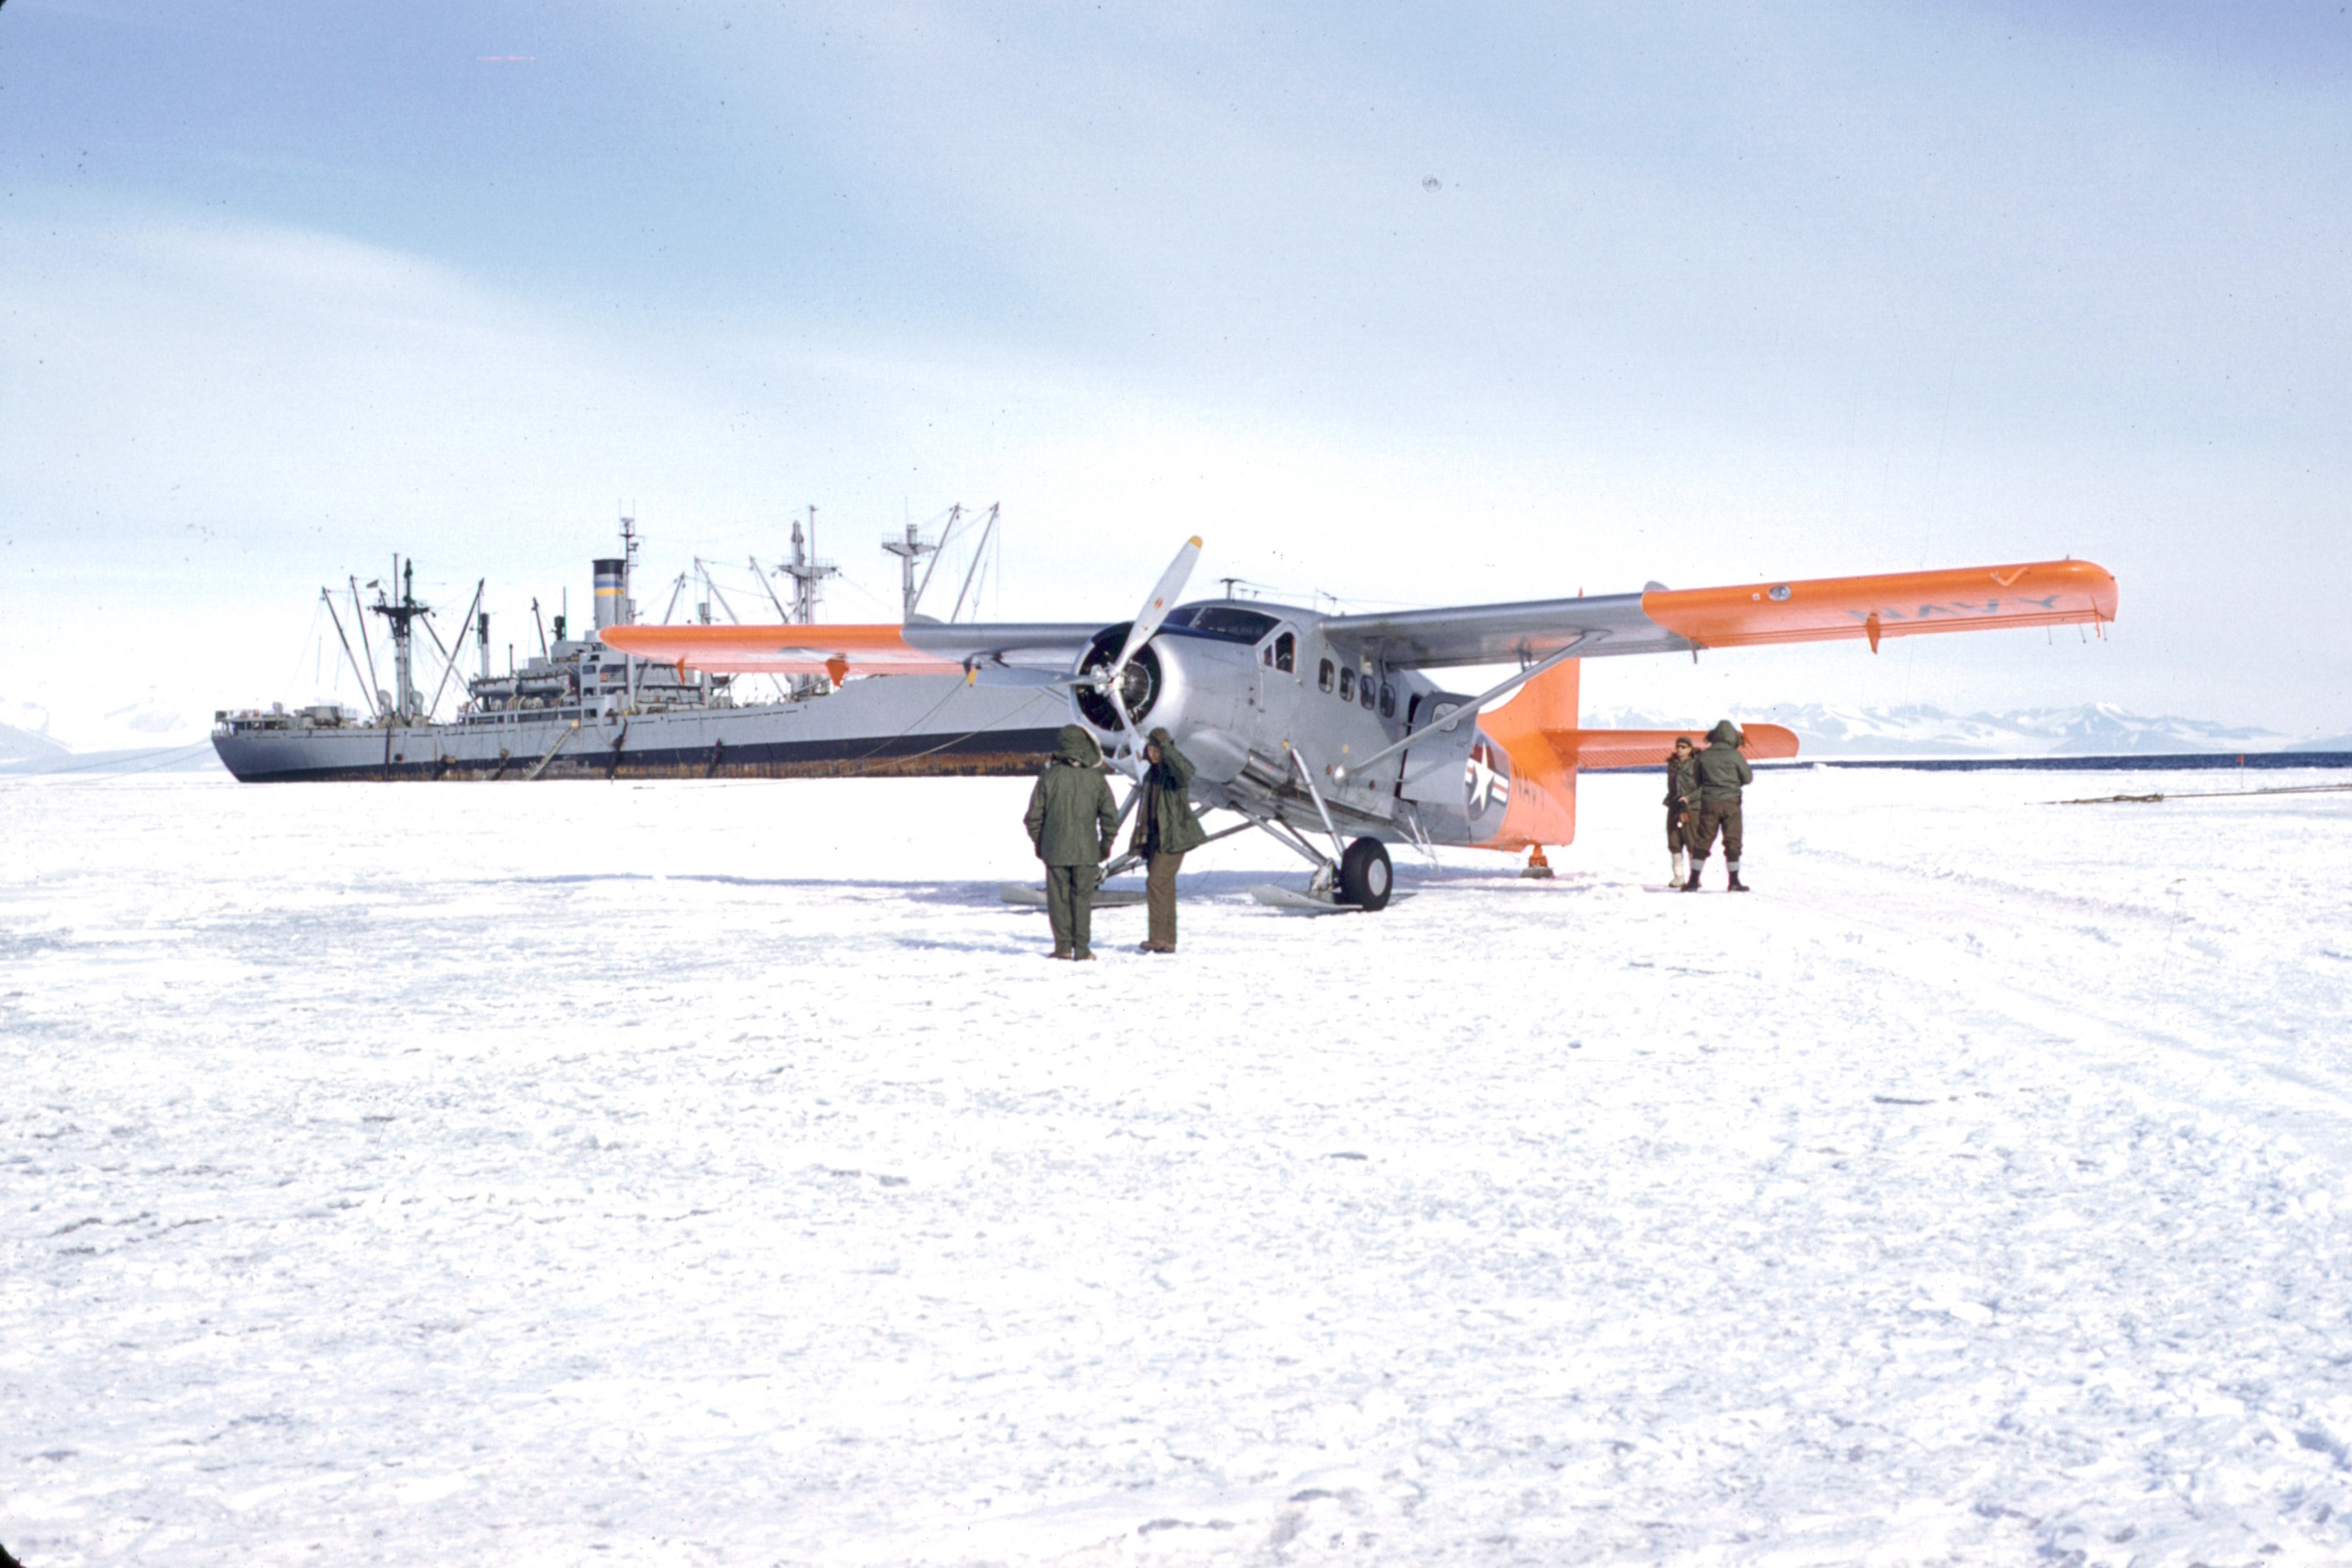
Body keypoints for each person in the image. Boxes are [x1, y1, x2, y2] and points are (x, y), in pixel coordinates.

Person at [1024, 724, 1119, 958]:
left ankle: (1063, 948)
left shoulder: (1049, 776)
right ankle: (1083, 950)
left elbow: (1033, 818)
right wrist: (1105, 846)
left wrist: (1042, 845)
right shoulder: (1096, 779)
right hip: (1087, 852)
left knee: (1058, 901)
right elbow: (1110, 817)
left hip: (1055, 851)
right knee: (1082, 901)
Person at [1130, 725, 1209, 953]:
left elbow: (1187, 771)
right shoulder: (1150, 775)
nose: (1153, 755)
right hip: (1156, 837)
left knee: (1156, 883)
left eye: (1157, 750)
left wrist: (1166, 746)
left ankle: (1157, 938)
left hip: (1174, 837)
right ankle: (1168, 940)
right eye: (1151, 750)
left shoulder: (1173, 773)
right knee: (1164, 886)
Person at [1683, 719, 1753, 892]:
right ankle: (1734, 881)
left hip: (1709, 804)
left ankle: (1693, 881)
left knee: (1703, 841)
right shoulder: (1736, 756)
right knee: (1733, 842)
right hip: (1732, 804)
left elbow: (1697, 780)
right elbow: (1747, 778)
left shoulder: (1703, 756)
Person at [1663, 735, 1699, 888]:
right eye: (1678, 746)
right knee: (1674, 841)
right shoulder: (1672, 764)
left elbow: (1703, 788)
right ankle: (1679, 877)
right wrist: (1670, 799)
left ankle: (1694, 877)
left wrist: (1688, 798)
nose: (1680, 749)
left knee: (1692, 842)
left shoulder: (1697, 765)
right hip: (1675, 806)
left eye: (1684, 747)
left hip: (1691, 808)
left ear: (1690, 749)